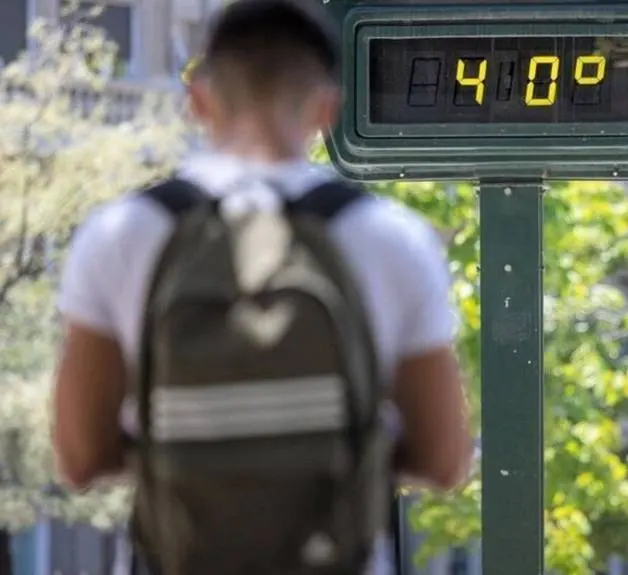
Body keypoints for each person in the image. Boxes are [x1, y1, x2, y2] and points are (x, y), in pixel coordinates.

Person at [51, 0, 471, 573]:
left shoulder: (121, 234)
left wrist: (196, 456)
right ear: (326, 108)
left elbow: (79, 459)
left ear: (198, 99)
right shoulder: (391, 239)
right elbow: (444, 460)